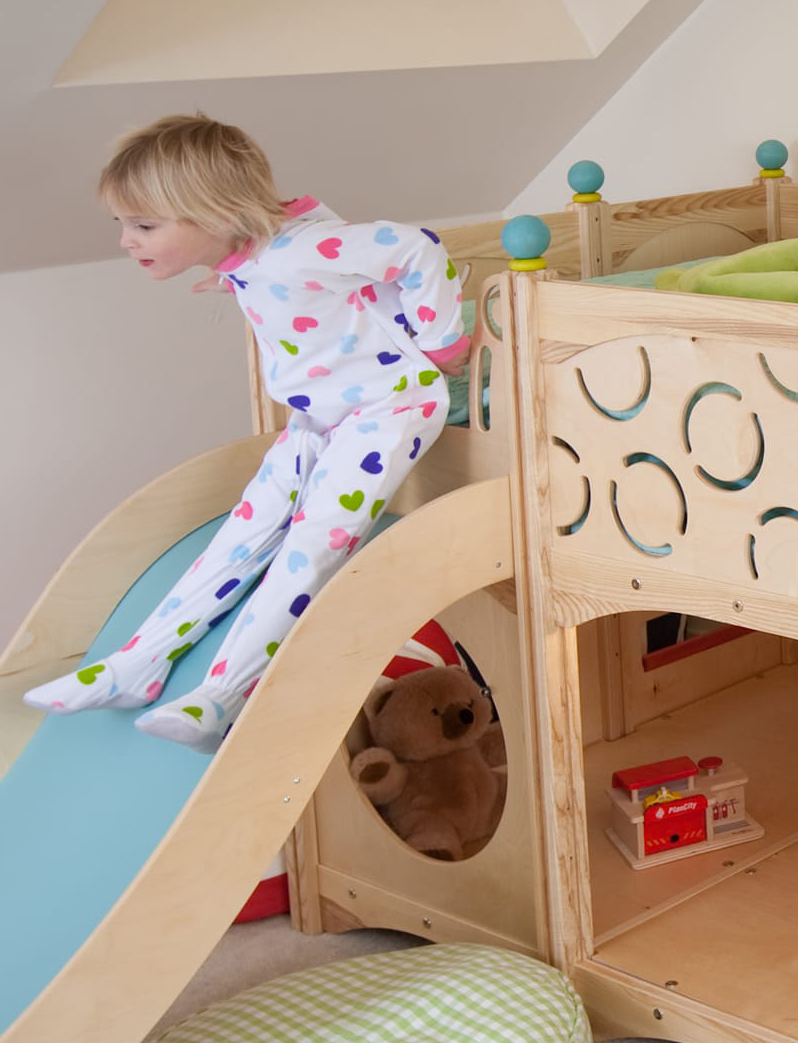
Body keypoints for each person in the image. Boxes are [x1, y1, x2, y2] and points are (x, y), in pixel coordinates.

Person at [23, 114, 469, 750]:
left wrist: (442, 339)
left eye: (144, 226)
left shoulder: (295, 251)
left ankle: (220, 697)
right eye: (123, 224)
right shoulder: (255, 251)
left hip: (389, 407)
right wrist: (230, 269)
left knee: (314, 540)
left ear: (213, 213)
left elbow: (415, 247)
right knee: (244, 531)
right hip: (318, 415)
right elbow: (288, 238)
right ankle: (137, 664)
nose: (127, 241)